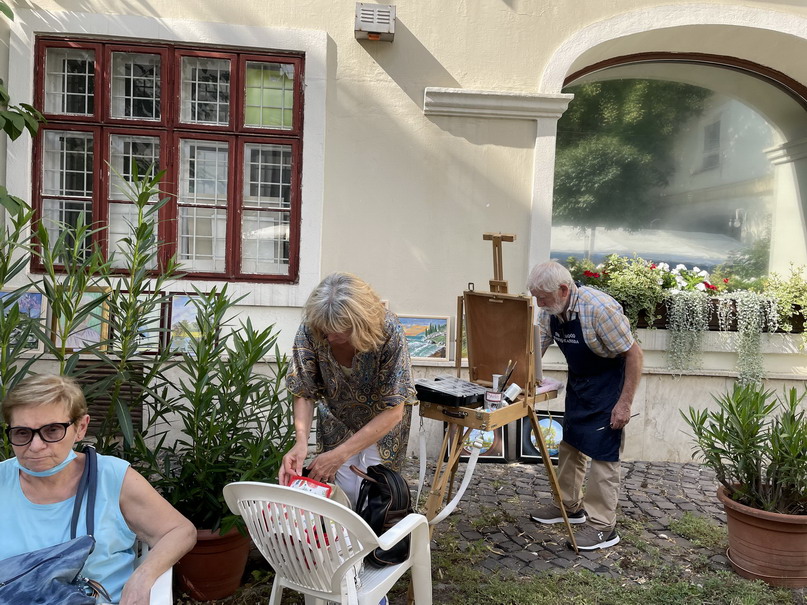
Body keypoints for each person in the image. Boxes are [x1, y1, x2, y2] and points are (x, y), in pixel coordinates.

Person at [0, 374, 197, 604]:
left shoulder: (111, 478)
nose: (36, 446)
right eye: (22, 432)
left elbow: (180, 531)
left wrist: (143, 576)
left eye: (52, 430)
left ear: (81, 427)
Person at [526, 261, 643, 551]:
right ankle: (568, 506)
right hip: (580, 383)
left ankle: (603, 526)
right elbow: (535, 350)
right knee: (570, 445)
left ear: (564, 290)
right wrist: (523, 380)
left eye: (543, 298)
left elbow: (635, 355)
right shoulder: (550, 310)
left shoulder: (599, 309)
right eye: (536, 298)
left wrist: (624, 404)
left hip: (609, 385)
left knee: (603, 455)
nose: (539, 304)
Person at [279, 272, 416, 507]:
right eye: (324, 330)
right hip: (336, 420)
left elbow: (394, 410)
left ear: (359, 324)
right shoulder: (312, 328)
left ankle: (373, 533)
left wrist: (340, 455)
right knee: (340, 497)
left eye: (337, 331)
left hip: (381, 425)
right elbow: (304, 390)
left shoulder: (388, 331)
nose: (328, 337)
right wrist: (301, 442)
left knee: (375, 497)